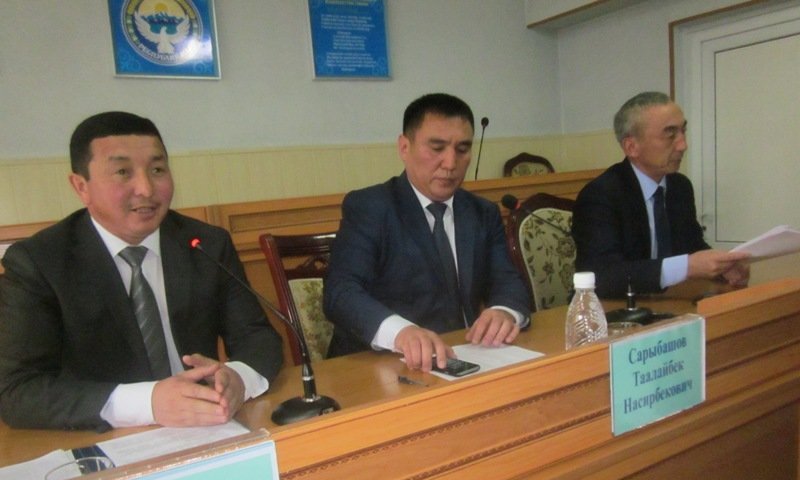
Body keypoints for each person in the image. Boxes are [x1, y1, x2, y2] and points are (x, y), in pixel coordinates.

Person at [0, 111, 283, 431]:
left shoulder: (206, 244)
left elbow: (257, 337)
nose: (146, 189)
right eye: (123, 172)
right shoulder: (39, 262)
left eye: (157, 169)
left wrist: (239, 378)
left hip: (207, 426)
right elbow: (17, 391)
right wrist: (148, 403)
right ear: (81, 186)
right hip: (106, 437)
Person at [323, 93, 531, 372]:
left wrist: (505, 311)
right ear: (404, 147)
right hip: (384, 367)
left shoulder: (482, 212)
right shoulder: (370, 207)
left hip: (468, 359)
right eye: (437, 148)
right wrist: (401, 333)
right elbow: (341, 293)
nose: (450, 163)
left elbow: (508, 281)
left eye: (462, 149)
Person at [571, 91, 750, 298]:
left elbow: (692, 248)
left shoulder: (679, 186)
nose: (683, 145)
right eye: (670, 135)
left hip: (668, 302)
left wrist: (723, 267)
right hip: (611, 308)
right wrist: (687, 267)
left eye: (683, 131)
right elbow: (602, 275)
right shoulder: (600, 195)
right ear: (632, 146)